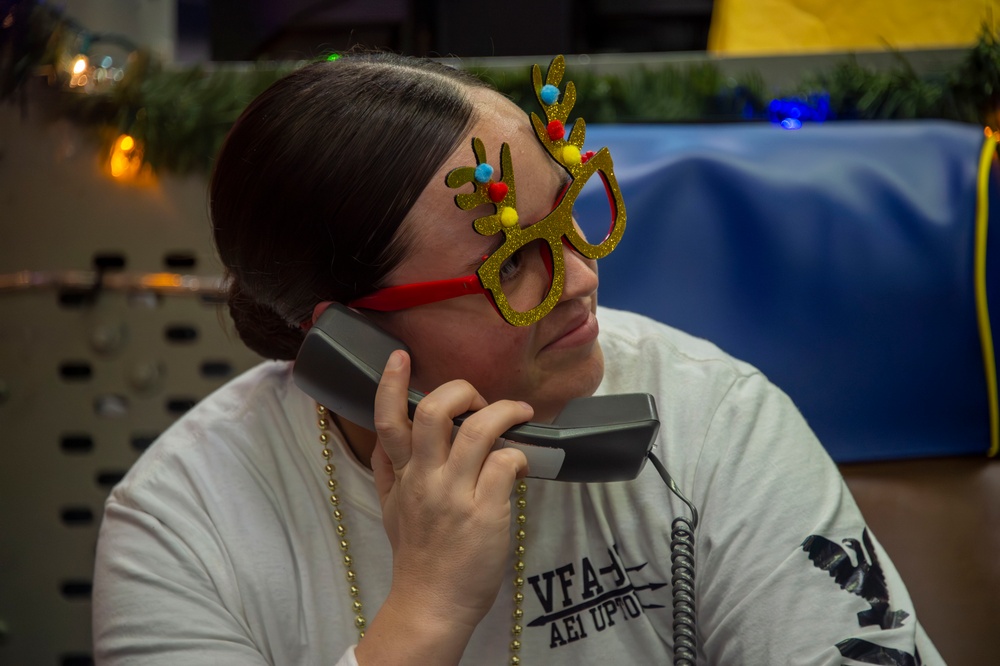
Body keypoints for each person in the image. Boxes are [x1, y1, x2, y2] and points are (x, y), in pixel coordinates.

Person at [92, 52, 942, 666]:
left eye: (574, 217)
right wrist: (422, 619)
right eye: (512, 264)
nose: (580, 278)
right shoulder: (182, 525)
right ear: (347, 338)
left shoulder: (712, 420)